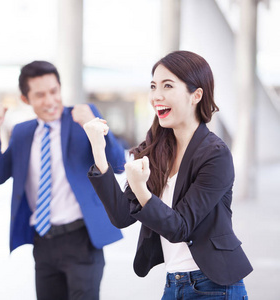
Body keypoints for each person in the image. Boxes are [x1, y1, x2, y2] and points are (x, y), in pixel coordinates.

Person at [84, 51, 252, 299]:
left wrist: (141, 190)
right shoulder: (156, 149)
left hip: (214, 285)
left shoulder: (216, 154)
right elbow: (121, 215)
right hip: (174, 283)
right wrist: (98, 149)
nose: (156, 96)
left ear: (196, 95)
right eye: (153, 86)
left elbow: (180, 227)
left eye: (167, 85)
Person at [0, 60, 126, 300]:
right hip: (43, 243)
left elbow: (118, 164)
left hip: (82, 240)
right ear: (26, 99)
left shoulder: (83, 118)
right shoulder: (22, 132)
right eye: (40, 95)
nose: (50, 101)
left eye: (54, 91)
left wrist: (96, 127)